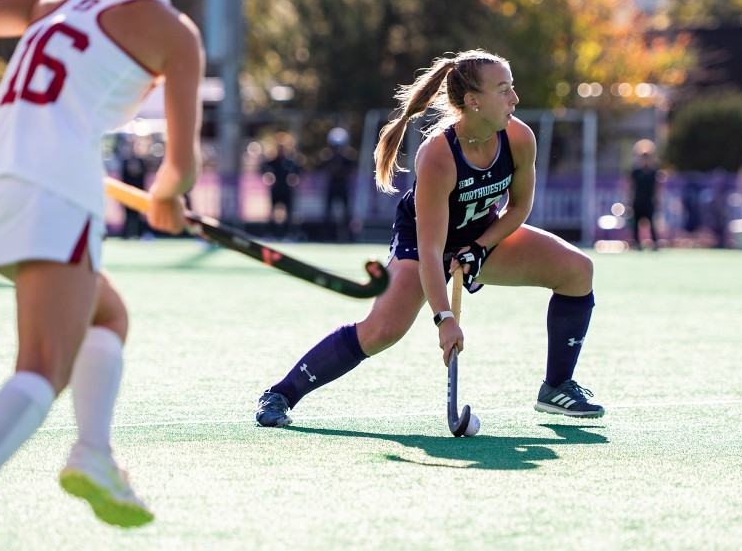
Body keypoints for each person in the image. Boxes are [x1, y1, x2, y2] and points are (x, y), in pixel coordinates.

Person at [0, 0, 203, 550]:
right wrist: (168, 198)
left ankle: (92, 453)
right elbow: (182, 163)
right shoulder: (173, 30)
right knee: (44, 364)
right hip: (55, 190)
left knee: (105, 315)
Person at [255, 49, 603, 428]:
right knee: (382, 331)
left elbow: (518, 209)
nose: (515, 100)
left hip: (482, 236)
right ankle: (281, 394)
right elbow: (433, 249)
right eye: (504, 90)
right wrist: (445, 319)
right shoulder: (438, 156)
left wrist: (480, 248)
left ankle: (556, 387)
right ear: (473, 101)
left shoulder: (519, 139)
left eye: (512, 88)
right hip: (423, 243)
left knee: (577, 270)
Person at [260, 132, 301, 240]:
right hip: (276, 190)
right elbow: (263, 169)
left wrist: (294, 179)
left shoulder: (290, 162)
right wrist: (268, 176)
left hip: (287, 190)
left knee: (289, 214)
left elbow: (298, 172)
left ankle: (289, 235)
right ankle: (269, 235)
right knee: (272, 213)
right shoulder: (272, 162)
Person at [321, 127, 357, 242]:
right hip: (332, 186)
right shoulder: (327, 156)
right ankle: (327, 237)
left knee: (346, 213)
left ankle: (349, 238)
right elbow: (327, 170)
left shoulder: (348, 157)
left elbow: (349, 171)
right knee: (328, 213)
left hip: (343, 187)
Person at [629, 139, 660, 250]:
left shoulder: (654, 172)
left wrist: (658, 200)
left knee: (651, 223)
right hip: (638, 201)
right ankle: (637, 244)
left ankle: (654, 243)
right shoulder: (635, 172)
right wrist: (628, 200)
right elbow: (630, 187)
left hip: (648, 201)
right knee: (636, 224)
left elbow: (657, 188)